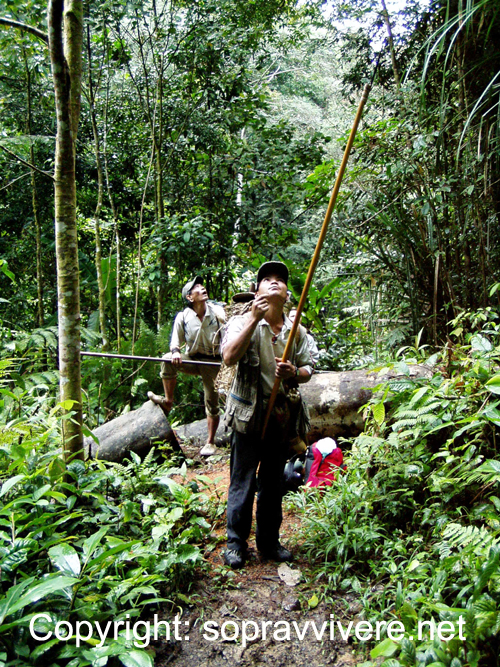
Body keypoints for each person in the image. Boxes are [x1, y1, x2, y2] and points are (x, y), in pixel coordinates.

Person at [221, 261, 313, 568]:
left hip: (279, 418)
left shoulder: (295, 329)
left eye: (280, 280)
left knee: (273, 483)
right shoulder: (243, 321)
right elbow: (229, 356)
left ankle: (269, 542)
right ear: (256, 292)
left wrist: (293, 372)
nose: (274, 283)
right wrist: (253, 319)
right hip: (247, 417)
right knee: (242, 480)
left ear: (287, 295)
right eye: (267, 279)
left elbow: (308, 370)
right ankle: (235, 543)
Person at [148, 276, 225, 457]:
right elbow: (175, 341)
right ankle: (168, 401)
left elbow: (228, 334)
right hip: (192, 358)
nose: (202, 288)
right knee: (167, 359)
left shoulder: (217, 312)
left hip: (212, 362)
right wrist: (175, 352)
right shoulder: (183, 317)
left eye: (202, 285)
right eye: (197, 287)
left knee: (211, 400)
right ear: (190, 297)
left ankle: (210, 442)